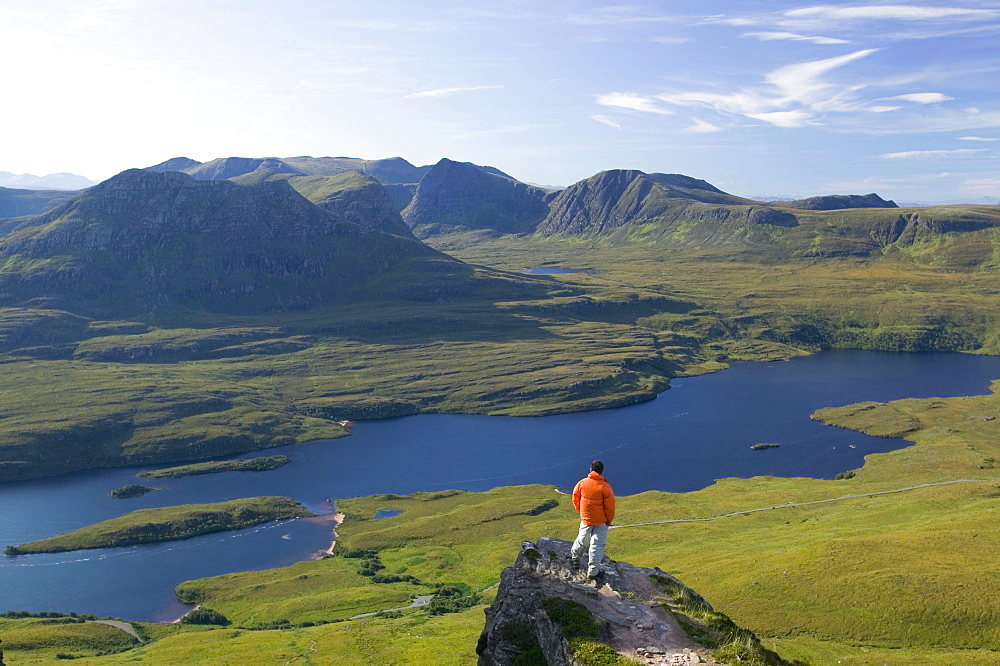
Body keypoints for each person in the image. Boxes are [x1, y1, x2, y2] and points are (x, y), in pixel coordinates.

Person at [570, 460, 615, 581]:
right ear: (602, 471)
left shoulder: (582, 483)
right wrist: (609, 520)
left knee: (582, 539)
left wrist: (582, 511)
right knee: (597, 545)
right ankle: (593, 572)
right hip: (601, 521)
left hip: (586, 519)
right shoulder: (605, 487)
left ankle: (575, 559)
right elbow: (610, 507)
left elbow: (575, 498)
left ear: (590, 470)